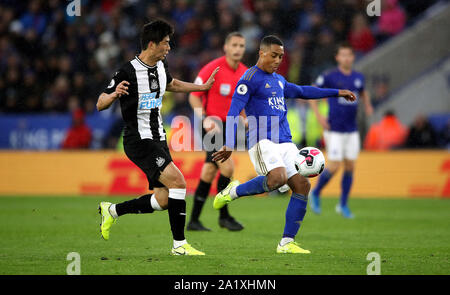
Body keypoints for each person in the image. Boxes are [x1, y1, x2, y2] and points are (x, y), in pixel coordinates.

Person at [212, 35, 356, 254]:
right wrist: (229, 143)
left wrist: (337, 93)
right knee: (277, 178)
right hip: (261, 140)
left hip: (285, 141)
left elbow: (303, 91)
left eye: (281, 56)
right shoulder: (249, 78)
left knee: (302, 185)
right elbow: (233, 111)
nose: (278, 60)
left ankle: (286, 243)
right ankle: (233, 191)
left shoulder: (279, 81)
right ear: (262, 53)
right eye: (274, 55)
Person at [96, 20, 219, 256]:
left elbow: (171, 84)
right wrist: (113, 95)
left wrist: (201, 88)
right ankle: (179, 245)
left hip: (158, 137)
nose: (169, 47)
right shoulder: (127, 71)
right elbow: (100, 102)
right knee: (179, 182)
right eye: (165, 43)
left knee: (164, 199)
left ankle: (112, 211)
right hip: (138, 140)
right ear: (152, 44)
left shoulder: (162, 65)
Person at [187, 32, 248, 232]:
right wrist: (204, 118)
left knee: (209, 171)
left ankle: (194, 220)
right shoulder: (213, 68)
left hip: (231, 127)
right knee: (228, 168)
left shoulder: (246, 73)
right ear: (226, 47)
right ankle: (224, 216)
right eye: (235, 45)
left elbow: (246, 103)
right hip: (212, 125)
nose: (238, 49)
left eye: (241, 45)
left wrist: (246, 118)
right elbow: (194, 96)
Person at [308, 43, 373, 219]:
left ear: (353, 57)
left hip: (351, 129)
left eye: (349, 55)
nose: (346, 58)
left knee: (350, 166)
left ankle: (343, 204)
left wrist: (367, 104)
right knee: (335, 165)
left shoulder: (358, 77)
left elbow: (363, 91)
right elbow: (313, 92)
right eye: (342, 55)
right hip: (334, 128)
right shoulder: (329, 76)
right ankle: (316, 192)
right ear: (337, 58)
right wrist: (319, 117)